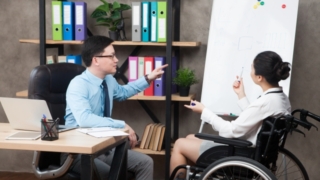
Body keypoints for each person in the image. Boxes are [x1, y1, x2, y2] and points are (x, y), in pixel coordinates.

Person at [170, 51, 292, 179]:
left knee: (179, 144)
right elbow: (256, 117)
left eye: (252, 68)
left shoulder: (265, 102)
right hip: (258, 154)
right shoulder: (281, 98)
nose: (250, 71)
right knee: (191, 137)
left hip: (244, 155)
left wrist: (204, 111)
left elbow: (230, 131)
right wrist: (241, 94)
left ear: (259, 77)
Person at [63, 35, 168, 180]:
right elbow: (85, 119)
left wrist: (148, 78)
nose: (116, 60)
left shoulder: (108, 80)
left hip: (101, 147)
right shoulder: (78, 84)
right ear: (96, 60)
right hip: (77, 152)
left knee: (146, 162)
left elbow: (123, 93)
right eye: (112, 56)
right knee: (111, 175)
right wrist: (121, 125)